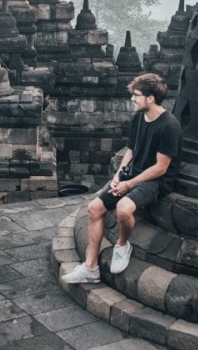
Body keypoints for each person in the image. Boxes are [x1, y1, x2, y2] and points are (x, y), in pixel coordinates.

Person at [62, 72, 181, 283]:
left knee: (124, 209)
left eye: (136, 95)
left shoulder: (169, 126)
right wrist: (118, 176)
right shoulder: (138, 118)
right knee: (94, 208)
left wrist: (128, 185)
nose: (132, 99)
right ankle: (90, 268)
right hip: (132, 174)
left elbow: (161, 168)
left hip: (155, 181)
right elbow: (131, 150)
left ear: (150, 98)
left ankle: (123, 244)